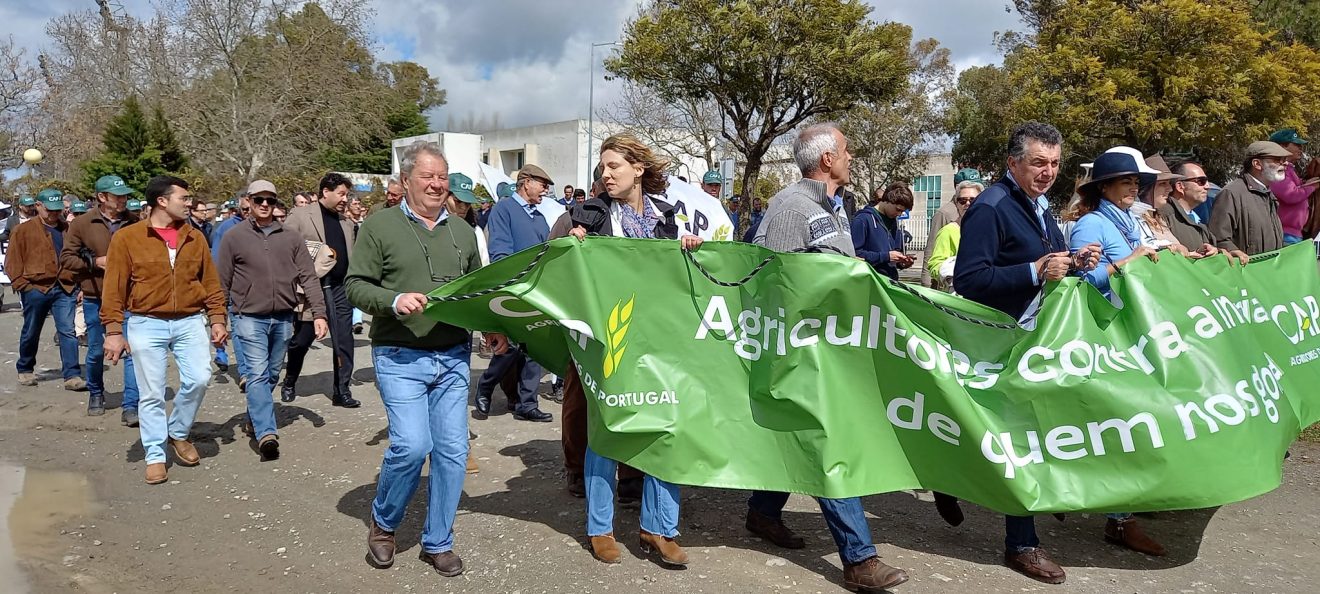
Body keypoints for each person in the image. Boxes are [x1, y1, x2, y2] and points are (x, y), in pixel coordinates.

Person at [751, 122, 909, 592]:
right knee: (827, 441)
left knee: (800, 434)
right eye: (845, 149)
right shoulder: (789, 207)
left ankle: (762, 513)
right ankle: (859, 557)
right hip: (799, 350)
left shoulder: (834, 208)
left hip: (831, 347)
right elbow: (768, 277)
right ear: (825, 159)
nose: (850, 155)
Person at [347, 140, 506, 577]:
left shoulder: (462, 230)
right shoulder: (379, 226)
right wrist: (393, 299)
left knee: (453, 451)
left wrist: (492, 325)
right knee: (412, 446)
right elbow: (355, 286)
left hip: (452, 354)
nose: (437, 184)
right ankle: (384, 523)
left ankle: (438, 541)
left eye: (442, 176)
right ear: (405, 181)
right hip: (400, 354)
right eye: (427, 177)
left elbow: (476, 289)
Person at [953, 122, 1103, 585]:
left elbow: (1050, 261)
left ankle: (947, 475)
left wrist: (1074, 263)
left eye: (1055, 164)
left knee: (1024, 436)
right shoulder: (990, 207)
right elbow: (970, 280)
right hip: (1003, 344)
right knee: (1025, 441)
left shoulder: (1039, 206)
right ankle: (1022, 544)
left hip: (1040, 341)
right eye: (1038, 162)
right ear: (1013, 162)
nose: (1048, 172)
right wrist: (1033, 271)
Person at [565, 134, 701, 566]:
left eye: (614, 166)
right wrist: (572, 246)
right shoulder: (586, 214)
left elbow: (679, 277)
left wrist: (690, 250)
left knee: (665, 426)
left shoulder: (666, 216)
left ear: (638, 169)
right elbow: (557, 266)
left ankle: (658, 528)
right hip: (609, 342)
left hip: (659, 339)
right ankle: (600, 528)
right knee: (606, 430)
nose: (605, 175)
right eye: (602, 168)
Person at [102, 175, 228, 485]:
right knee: (151, 392)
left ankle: (178, 432)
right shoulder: (128, 238)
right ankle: (155, 454)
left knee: (200, 377)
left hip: (189, 320)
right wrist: (114, 330)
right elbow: (114, 286)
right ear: (162, 200)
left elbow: (210, 281)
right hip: (146, 321)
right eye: (183, 199)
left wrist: (217, 318)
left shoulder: (195, 237)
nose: (189, 204)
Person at [219, 180, 327, 460]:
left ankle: (255, 415)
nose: (265, 205)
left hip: (282, 317)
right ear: (249, 202)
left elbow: (309, 277)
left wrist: (319, 313)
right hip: (248, 316)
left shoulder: (291, 238)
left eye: (270, 200)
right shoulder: (234, 237)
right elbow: (222, 281)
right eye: (258, 200)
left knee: (270, 375)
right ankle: (267, 432)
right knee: (256, 374)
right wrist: (218, 319)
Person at [473, 164, 554, 423]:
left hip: (535, 289)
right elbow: (500, 249)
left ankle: (526, 404)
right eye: (542, 183)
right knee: (509, 347)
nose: (545, 189)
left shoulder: (539, 217)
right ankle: (486, 385)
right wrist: (508, 283)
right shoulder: (504, 209)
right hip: (513, 287)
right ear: (525, 182)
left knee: (534, 349)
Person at [62, 175, 142, 424]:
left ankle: (131, 405)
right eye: (117, 196)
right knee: (96, 351)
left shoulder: (135, 223)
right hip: (95, 297)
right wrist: (96, 262)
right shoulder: (82, 224)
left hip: (130, 297)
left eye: (125, 195)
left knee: (133, 351)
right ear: (101, 197)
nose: (123, 200)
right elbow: (66, 259)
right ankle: (96, 393)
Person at [283, 173, 359, 408]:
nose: (345, 199)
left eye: (347, 195)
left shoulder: (346, 223)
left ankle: (341, 390)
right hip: (313, 290)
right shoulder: (300, 215)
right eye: (341, 194)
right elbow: (285, 246)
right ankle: (290, 379)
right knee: (303, 340)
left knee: (344, 341)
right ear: (326, 192)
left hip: (340, 289)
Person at [6, 189, 85, 394]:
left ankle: (72, 374)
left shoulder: (69, 230)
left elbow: (79, 257)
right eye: (49, 210)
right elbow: (12, 261)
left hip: (65, 288)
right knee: (31, 330)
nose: (53, 214)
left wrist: (79, 285)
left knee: (67, 331)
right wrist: (23, 285)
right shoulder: (22, 231)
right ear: (38, 206)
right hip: (36, 288)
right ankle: (25, 367)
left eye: (57, 210)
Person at [1209, 141, 1291, 255]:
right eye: (1278, 160)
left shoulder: (1268, 195)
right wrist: (1234, 252)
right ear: (1257, 164)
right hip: (1244, 270)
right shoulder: (1231, 193)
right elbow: (1218, 239)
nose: (1285, 163)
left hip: (1268, 270)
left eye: (1284, 160)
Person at [1162, 161, 1246, 263]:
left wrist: (1222, 252)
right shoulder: (1164, 215)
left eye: (1206, 181)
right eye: (1201, 181)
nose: (1207, 186)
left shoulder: (1196, 220)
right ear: (1180, 186)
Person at [926, 179, 984, 290]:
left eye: (972, 200)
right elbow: (934, 264)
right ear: (957, 204)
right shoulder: (948, 231)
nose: (967, 204)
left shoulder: (991, 229)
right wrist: (949, 273)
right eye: (962, 200)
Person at [1265, 129, 1318, 244]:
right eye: (1296, 145)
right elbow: (1291, 195)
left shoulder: (1289, 170)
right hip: (1285, 234)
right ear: (1282, 147)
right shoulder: (1277, 170)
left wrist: (1306, 184)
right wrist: (1313, 186)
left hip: (1293, 233)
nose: (1300, 149)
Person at [852, 183, 915, 280]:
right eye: (898, 209)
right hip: (869, 283)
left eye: (902, 211)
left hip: (890, 283)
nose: (899, 214)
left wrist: (901, 262)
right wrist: (886, 256)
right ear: (887, 200)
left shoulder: (894, 223)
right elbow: (854, 255)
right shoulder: (862, 220)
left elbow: (894, 254)